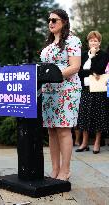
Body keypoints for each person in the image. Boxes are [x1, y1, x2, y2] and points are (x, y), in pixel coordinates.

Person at [40, 9, 82, 180]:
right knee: (51, 130)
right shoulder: (48, 45)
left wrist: (53, 76)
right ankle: (55, 168)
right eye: (49, 19)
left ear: (64, 21)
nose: (50, 22)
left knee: (63, 130)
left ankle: (65, 170)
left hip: (67, 89)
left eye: (54, 20)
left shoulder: (72, 40)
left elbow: (75, 66)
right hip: (49, 91)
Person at [76, 31, 109, 154]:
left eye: (95, 40)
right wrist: (91, 71)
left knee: (98, 116)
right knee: (84, 116)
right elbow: (80, 72)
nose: (93, 42)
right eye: (91, 40)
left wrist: (93, 57)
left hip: (98, 89)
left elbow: (99, 69)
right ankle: (84, 143)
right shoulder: (83, 55)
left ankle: (96, 143)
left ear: (99, 42)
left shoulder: (104, 55)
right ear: (88, 42)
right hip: (85, 89)